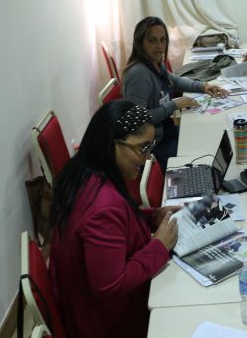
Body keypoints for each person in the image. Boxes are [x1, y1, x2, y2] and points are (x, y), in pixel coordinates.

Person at [49, 101, 180, 338]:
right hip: (107, 323)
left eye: (150, 147)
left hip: (88, 307)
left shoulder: (84, 171)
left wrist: (151, 217)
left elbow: (115, 226)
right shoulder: (102, 207)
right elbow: (110, 286)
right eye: (141, 148)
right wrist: (159, 246)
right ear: (112, 144)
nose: (146, 158)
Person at [122, 17, 227, 171]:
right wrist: (174, 105)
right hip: (155, 145)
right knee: (199, 160)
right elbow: (138, 120)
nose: (159, 46)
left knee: (207, 137)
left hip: (166, 131)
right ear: (140, 43)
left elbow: (175, 81)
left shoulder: (155, 63)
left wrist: (203, 86)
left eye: (163, 40)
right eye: (152, 40)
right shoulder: (139, 74)